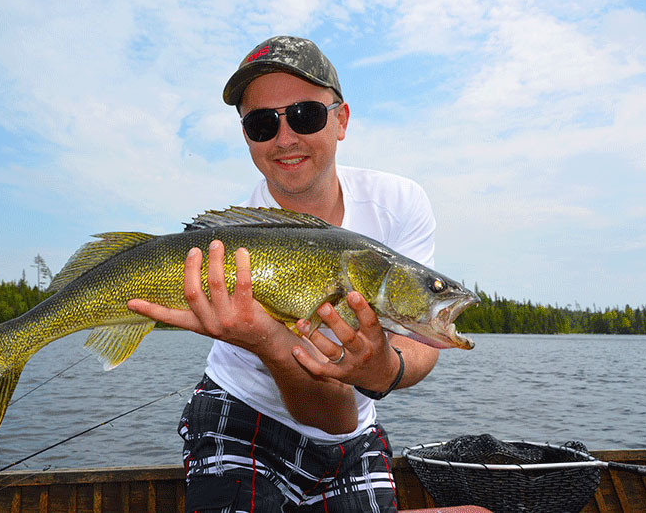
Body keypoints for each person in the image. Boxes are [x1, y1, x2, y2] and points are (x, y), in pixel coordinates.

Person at [127, 35, 439, 513]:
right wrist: (268, 339)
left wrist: (385, 369)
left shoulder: (399, 204)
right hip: (238, 413)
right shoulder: (237, 239)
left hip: (352, 433)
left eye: (305, 115)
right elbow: (325, 406)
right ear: (246, 135)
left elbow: (421, 337)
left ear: (341, 120)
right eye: (262, 123)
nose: (285, 137)